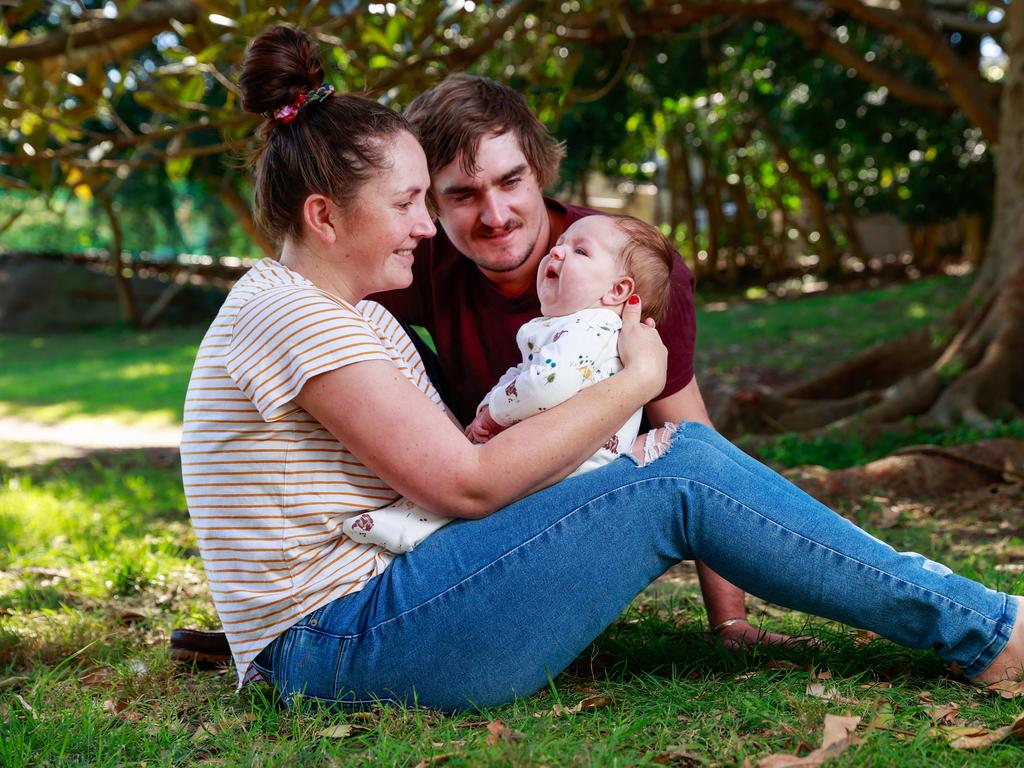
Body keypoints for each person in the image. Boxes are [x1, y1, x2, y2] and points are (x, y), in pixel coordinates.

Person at [180, 25, 1024, 713]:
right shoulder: (293, 315)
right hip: (336, 648)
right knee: (679, 471)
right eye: (414, 203)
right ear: (325, 216)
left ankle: (977, 622)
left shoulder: (337, 307)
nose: (429, 228)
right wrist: (633, 380)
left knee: (676, 460)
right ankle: (991, 633)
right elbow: (465, 487)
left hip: (372, 615)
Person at [372, 74, 777, 647]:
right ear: (429, 205)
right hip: (465, 497)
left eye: (511, 180)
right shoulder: (420, 261)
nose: (495, 214)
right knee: (366, 330)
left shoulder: (628, 265)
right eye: (463, 195)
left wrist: (729, 622)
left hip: (584, 506)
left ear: (538, 170)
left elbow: (689, 436)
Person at [342, 214, 674, 553]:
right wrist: (493, 404)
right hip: (565, 458)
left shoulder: (594, 326)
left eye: (580, 251)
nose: (556, 252)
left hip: (574, 470)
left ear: (617, 290)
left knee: (472, 485)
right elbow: (527, 375)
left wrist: (494, 413)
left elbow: (547, 383)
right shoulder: (575, 326)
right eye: (559, 244)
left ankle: (408, 527)